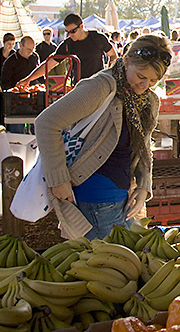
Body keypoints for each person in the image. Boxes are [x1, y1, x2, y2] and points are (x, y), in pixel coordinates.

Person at [34, 33, 172, 239]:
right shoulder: (101, 87)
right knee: (111, 265)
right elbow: (46, 123)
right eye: (141, 77)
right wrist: (58, 179)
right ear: (126, 61)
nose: (145, 85)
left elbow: (144, 146)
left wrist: (144, 186)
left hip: (121, 196)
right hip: (94, 199)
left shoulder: (149, 101)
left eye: (154, 80)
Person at [17, 14, 117, 88]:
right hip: (79, 86)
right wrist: (28, 79)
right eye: (68, 32)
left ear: (81, 26)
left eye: (73, 31)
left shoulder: (97, 38)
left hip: (98, 84)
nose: (71, 35)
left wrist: (108, 73)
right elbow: (49, 64)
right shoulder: (68, 44)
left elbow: (113, 55)